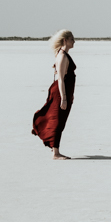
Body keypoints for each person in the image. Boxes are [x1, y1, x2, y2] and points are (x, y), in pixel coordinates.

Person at [32, 29, 77, 160]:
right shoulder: (62, 56)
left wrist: (70, 95)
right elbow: (61, 79)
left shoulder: (63, 54)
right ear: (65, 40)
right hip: (60, 92)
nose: (74, 41)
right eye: (72, 39)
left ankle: (45, 136)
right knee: (58, 121)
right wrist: (63, 98)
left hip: (64, 92)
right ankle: (55, 153)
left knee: (58, 119)